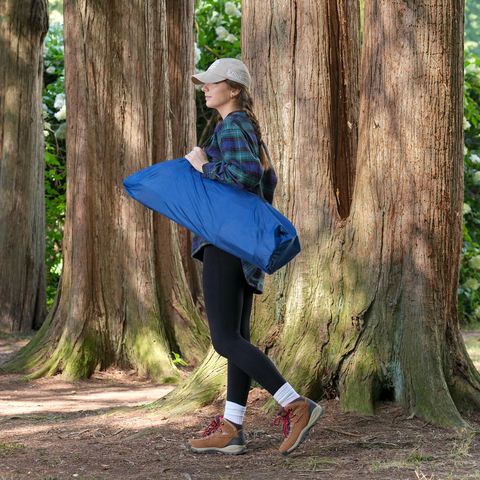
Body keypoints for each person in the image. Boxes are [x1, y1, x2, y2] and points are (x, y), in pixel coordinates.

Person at [185, 58, 324, 456]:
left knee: (225, 339)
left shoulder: (233, 126)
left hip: (226, 243)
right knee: (237, 340)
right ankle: (232, 427)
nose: (205, 88)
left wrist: (204, 165)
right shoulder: (247, 128)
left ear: (235, 90)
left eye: (213, 83)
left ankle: (296, 406)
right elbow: (266, 181)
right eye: (205, 83)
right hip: (243, 246)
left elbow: (244, 175)